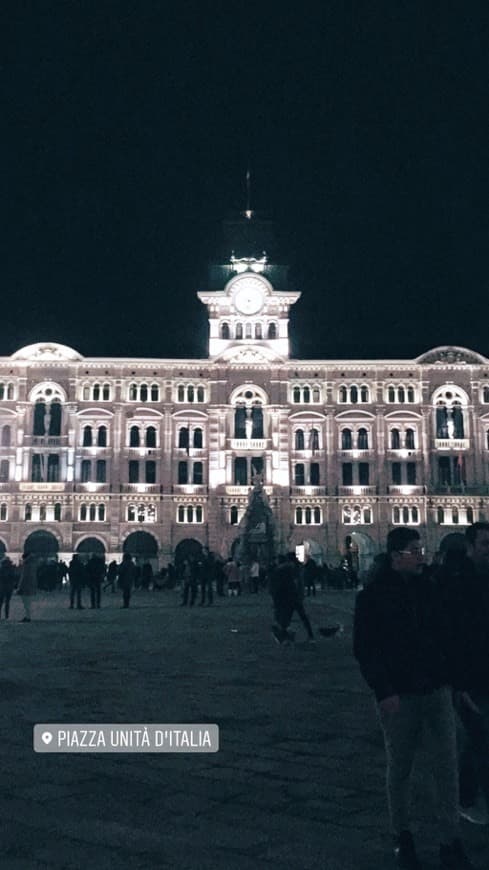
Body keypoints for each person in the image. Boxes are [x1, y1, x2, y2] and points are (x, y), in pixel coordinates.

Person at [353, 527, 474, 870]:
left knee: (446, 769)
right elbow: (365, 649)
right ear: (395, 557)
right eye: (414, 551)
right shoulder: (373, 597)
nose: (421, 556)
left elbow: (449, 638)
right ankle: (402, 835)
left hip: (436, 690)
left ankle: (451, 838)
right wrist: (384, 690)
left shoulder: (432, 590)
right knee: (400, 768)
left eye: (422, 550)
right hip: (399, 695)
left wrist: (456, 681)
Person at [439, 522, 489, 826]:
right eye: (485, 545)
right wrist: (459, 684)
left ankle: (466, 795)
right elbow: (452, 637)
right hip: (471, 680)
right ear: (470, 547)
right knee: (479, 739)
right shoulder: (457, 585)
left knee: (478, 742)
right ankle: (467, 797)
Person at [269, 553, 315, 644]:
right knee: (302, 616)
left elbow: (277, 585)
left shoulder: (281, 569)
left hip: (286, 597)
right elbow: (299, 583)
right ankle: (310, 636)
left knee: (285, 618)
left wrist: (275, 597)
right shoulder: (296, 568)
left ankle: (285, 637)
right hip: (295, 596)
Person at [17, 551, 38, 622]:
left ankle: (28, 617)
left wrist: (19, 587)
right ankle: (28, 616)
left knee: (26, 603)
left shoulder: (26, 565)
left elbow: (24, 577)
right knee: (28, 602)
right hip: (31, 586)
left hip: (25, 586)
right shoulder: (33, 565)